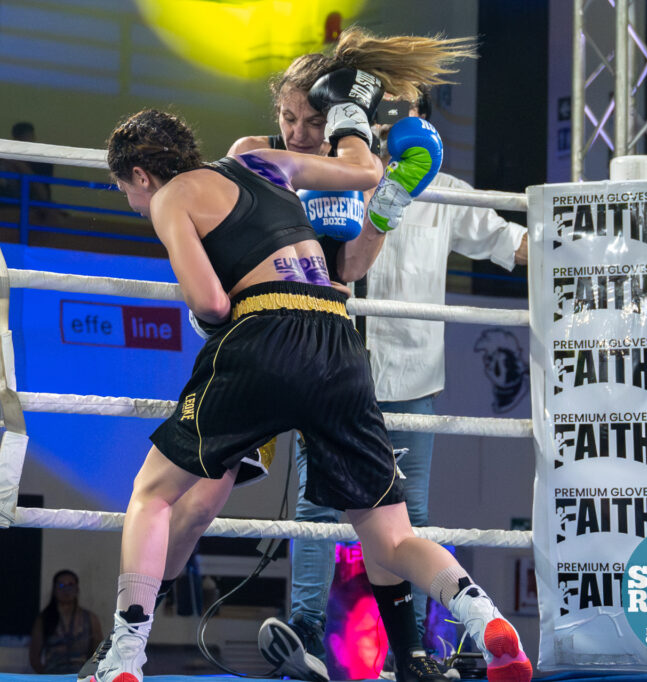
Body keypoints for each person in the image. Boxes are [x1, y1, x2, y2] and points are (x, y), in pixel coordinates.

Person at [87, 47, 531, 682]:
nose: (296, 131)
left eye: (311, 120)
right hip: (337, 347)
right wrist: (356, 128)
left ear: (137, 173)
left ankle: (127, 654)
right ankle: (483, 617)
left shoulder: (204, 185)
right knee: (385, 532)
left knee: (156, 496)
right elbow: (345, 224)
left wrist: (376, 180)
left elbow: (263, 289)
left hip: (265, 338)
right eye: (287, 117)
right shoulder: (261, 157)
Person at [255, 85, 529, 682]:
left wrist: (601, 253)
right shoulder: (319, 175)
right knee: (315, 504)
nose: (390, 117)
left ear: (421, 119)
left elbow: (516, 244)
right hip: (329, 366)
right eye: (385, 107)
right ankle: (304, 631)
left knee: (412, 516)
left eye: (404, 108)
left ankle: (418, 651)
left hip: (410, 373)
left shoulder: (445, 192)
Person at [29, 569, 104, 674]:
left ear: (77, 589)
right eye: (61, 585)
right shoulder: (44, 619)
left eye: (70, 585)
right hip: (53, 675)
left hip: (81, 676)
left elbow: (100, 653)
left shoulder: (90, 619)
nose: (66, 590)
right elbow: (34, 657)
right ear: (54, 590)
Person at [0, 121, 55, 206]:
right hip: (11, 205)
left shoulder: (43, 161)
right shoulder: (6, 159)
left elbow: (43, 195)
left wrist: (20, 166)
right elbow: (7, 187)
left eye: (29, 137)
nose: (27, 142)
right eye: (23, 139)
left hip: (37, 207)